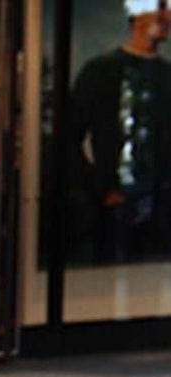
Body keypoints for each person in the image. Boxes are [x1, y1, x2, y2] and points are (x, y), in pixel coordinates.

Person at [69, 1, 171, 264]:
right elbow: (67, 139)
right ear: (137, 16)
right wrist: (102, 191)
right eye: (160, 6)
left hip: (163, 212)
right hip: (115, 213)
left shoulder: (167, 76)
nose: (167, 15)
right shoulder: (101, 71)